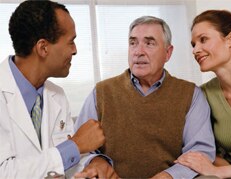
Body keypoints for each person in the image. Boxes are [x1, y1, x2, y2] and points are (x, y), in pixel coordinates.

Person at [75, 15, 216, 178]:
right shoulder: (101, 92)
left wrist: (168, 176)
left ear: (168, 53)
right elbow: (79, 147)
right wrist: (96, 161)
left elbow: (200, 152)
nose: (138, 51)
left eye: (149, 43)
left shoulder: (191, 95)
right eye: (133, 43)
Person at [0, 1, 117, 178]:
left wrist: (93, 163)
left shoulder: (57, 95)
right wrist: (76, 146)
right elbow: (4, 172)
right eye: (71, 42)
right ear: (43, 48)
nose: (75, 50)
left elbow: (66, 162)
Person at [175, 10, 231, 178]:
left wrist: (221, 172)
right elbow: (206, 148)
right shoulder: (203, 94)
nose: (195, 50)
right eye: (193, 45)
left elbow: (218, 171)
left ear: (230, 39)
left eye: (203, 40)